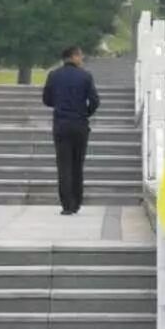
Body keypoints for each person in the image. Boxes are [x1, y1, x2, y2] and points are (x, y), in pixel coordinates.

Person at [42, 45, 100, 215]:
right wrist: (85, 113)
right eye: (80, 56)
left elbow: (46, 99)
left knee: (64, 165)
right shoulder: (85, 76)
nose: (82, 59)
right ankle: (77, 201)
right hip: (80, 124)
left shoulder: (53, 75)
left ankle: (67, 204)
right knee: (77, 164)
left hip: (61, 124)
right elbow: (95, 101)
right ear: (73, 56)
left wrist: (60, 104)